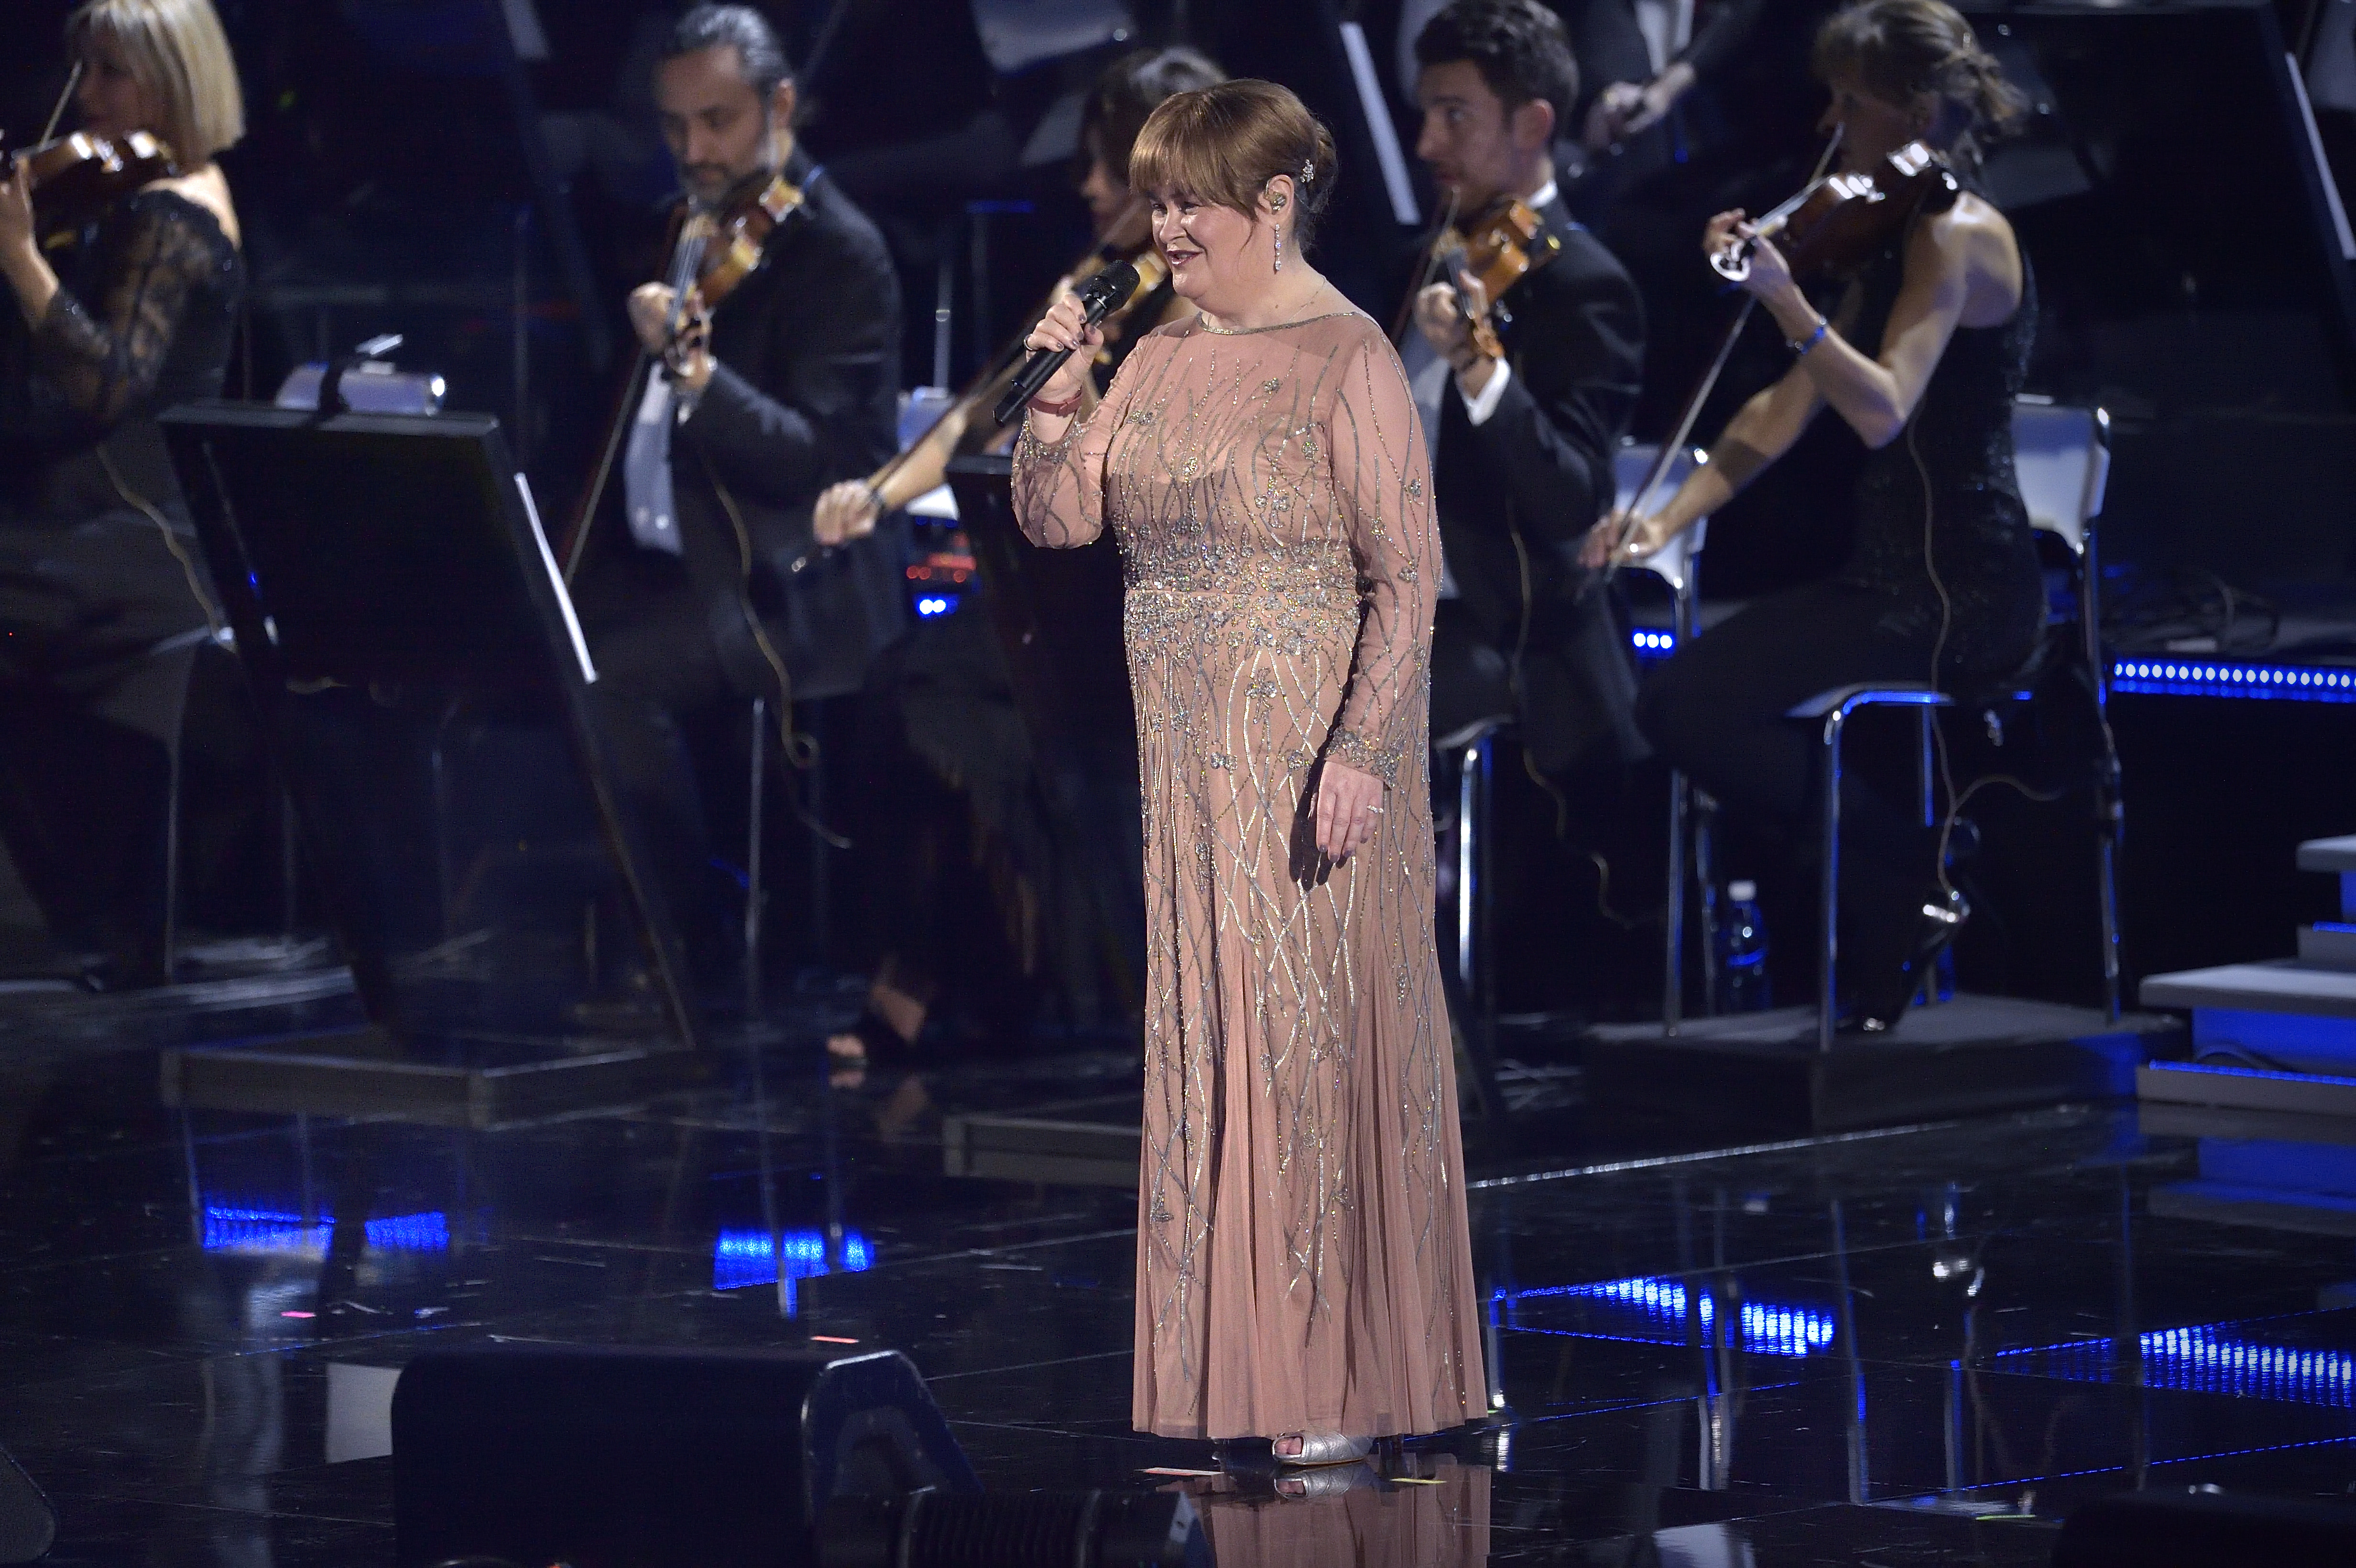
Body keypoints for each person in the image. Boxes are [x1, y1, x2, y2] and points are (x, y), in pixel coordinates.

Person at [1013, 79, 1486, 1462]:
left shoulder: (1349, 357)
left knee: (1303, 1051)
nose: (1162, 225)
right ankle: (1246, 1378)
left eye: (1188, 199)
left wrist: (1362, 756)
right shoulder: (1154, 348)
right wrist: (1057, 393)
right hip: (1189, 767)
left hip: (1306, 765)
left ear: (1274, 200)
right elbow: (1057, 522)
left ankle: (1329, 1381)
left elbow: (1409, 585)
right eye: (1154, 197)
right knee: (1218, 1050)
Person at [1582, 0, 2034, 1032]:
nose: (1828, 121)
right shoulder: (1887, 230)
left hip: (1956, 585)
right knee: (1681, 701)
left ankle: (1908, 872)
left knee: (1688, 705)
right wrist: (1664, 519)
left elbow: (1879, 408)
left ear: (1913, 108)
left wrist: (1789, 301)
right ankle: (1901, 887)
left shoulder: (1959, 236)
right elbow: (1782, 406)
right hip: (1883, 571)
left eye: (1850, 101)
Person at [811, 45, 1226, 1074]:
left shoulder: (1215, 308)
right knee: (903, 689)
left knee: (942, 699)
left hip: (1166, 610)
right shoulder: (1103, 284)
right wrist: (876, 492)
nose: (1087, 188)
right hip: (1073, 590)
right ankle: (949, 969)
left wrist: (1078, 387)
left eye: (1106, 168)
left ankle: (950, 980)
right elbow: (974, 416)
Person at [573, 3, 904, 999]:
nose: (695, 149)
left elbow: (821, 458)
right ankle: (561, 935)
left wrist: (695, 372)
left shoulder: (839, 252)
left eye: (717, 121)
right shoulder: (685, 226)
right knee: (526, 642)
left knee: (608, 685)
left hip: (784, 578)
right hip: (669, 560)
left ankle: (682, 952)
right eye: (676, 126)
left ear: (781, 104)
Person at [0, 0, 245, 988]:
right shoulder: (134, 190)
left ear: (172, 80)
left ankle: (80, 911)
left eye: (112, 73)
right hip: (87, 525)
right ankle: (75, 908)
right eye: (85, 71)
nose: (88, 97)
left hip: (137, 542)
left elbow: (105, 384)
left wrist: (19, 258)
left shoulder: (168, 213)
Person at [1407, 0, 1647, 795]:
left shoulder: (1584, 285)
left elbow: (1573, 499)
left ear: (1534, 123)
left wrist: (1479, 365)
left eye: (1454, 116)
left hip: (1498, 630)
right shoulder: (1428, 256)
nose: (1426, 144)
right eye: (1425, 114)